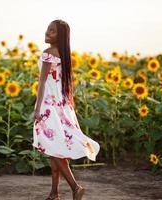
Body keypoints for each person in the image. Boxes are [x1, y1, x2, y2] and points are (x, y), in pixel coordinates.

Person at [32, 19, 100, 200]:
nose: (47, 32)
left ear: (60, 36)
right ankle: (54, 193)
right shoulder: (63, 54)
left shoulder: (48, 53)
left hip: (49, 106)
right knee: (56, 147)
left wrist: (37, 108)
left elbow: (42, 82)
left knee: (52, 147)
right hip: (62, 106)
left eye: (52, 31)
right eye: (47, 29)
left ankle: (75, 187)